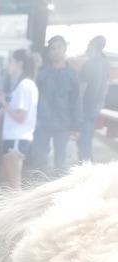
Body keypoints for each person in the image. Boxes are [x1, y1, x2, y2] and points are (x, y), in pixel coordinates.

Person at [30, 35, 81, 175]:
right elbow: (34, 97)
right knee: (39, 159)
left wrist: (75, 127)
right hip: (42, 123)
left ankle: (58, 190)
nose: (56, 51)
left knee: (60, 161)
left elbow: (76, 101)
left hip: (63, 124)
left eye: (59, 47)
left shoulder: (72, 75)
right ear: (49, 52)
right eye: (53, 48)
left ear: (65, 49)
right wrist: (34, 119)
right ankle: (37, 188)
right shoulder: (42, 73)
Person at [0, 49, 38, 189]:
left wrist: (4, 104)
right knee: (6, 182)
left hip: (16, 139)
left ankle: (20, 211)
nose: (8, 65)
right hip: (16, 138)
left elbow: (20, 117)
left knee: (12, 185)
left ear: (20, 63)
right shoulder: (25, 85)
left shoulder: (25, 85)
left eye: (10, 61)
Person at [78, 35, 111, 163]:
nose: (87, 47)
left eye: (88, 44)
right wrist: (101, 103)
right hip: (97, 106)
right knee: (88, 138)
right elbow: (106, 85)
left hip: (86, 106)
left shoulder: (89, 64)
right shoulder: (105, 63)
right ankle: (87, 163)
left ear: (93, 46)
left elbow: (82, 88)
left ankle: (85, 167)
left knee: (83, 141)